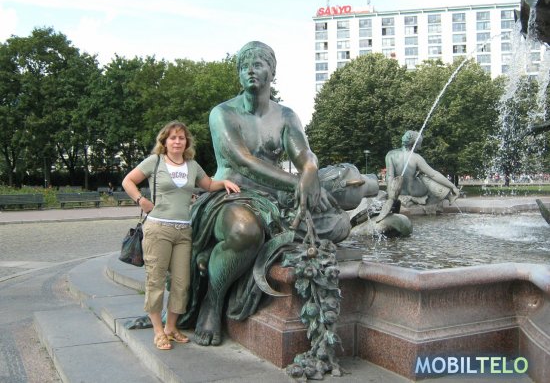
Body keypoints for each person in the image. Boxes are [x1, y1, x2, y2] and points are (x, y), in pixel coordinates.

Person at [174, 41, 351, 346]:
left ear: (272, 71)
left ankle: (217, 256)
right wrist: (298, 183)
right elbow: (244, 161)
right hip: (230, 195)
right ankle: (212, 301)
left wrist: (310, 171)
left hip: (275, 198)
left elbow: (303, 153)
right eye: (244, 67)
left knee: (339, 225)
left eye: (257, 65)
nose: (250, 71)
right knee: (245, 231)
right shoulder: (223, 113)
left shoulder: (286, 116)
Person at [122, 121, 239, 350]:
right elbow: (128, 181)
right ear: (164, 141)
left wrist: (224, 182)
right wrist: (141, 200)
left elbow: (208, 184)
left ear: (186, 142)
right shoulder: (155, 161)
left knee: (181, 283)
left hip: (183, 231)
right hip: (158, 229)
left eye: (181, 138)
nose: (177, 141)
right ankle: (158, 332)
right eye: (173, 138)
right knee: (155, 281)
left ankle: (171, 327)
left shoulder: (192, 165)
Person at [385, 130, 460, 204]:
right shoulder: (416, 157)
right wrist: (453, 186)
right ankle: (449, 197)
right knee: (425, 178)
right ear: (414, 144)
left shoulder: (391, 155)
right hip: (415, 191)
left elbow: (389, 176)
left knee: (421, 176)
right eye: (419, 144)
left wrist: (391, 196)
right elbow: (434, 174)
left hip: (399, 191)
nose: (420, 147)